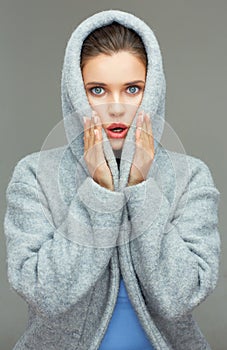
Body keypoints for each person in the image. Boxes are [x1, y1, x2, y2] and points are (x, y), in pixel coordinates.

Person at [4, 9, 221, 350]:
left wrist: (140, 188)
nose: (116, 108)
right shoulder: (34, 176)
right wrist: (99, 194)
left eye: (133, 89)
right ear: (76, 93)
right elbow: (43, 292)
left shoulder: (191, 176)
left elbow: (183, 295)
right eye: (98, 90)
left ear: (154, 91)